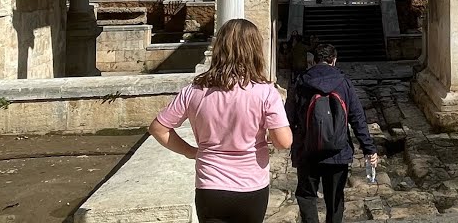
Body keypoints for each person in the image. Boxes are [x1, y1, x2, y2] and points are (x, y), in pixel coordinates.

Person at [148, 19, 292, 223]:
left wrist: (191, 152)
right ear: (255, 50)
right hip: (250, 186)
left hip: (210, 186)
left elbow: (158, 128)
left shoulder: (194, 91)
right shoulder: (265, 93)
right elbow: (283, 142)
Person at [286, 43, 378, 223]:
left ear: (314, 61)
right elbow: (357, 117)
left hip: (308, 149)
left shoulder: (301, 82)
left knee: (306, 196)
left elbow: (288, 117)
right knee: (335, 198)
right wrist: (369, 148)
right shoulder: (344, 83)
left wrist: (293, 145)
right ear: (334, 60)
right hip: (338, 151)